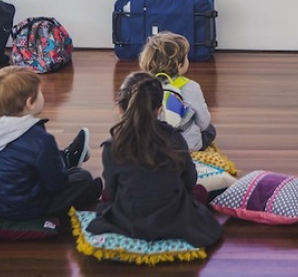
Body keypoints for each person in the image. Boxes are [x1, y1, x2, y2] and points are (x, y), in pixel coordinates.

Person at [87, 71, 222, 247]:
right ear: (159, 109)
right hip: (172, 217)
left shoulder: (113, 146)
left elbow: (111, 191)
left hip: (130, 219)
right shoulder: (175, 139)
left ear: (120, 108)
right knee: (199, 193)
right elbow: (189, 181)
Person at [0, 66, 101, 219]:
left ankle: (65, 160)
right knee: (82, 177)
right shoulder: (40, 139)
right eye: (40, 92)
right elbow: (57, 185)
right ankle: (84, 181)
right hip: (21, 208)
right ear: (30, 103)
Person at [139, 32, 216, 152]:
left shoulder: (142, 85)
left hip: (151, 143)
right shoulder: (191, 87)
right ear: (179, 66)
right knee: (210, 130)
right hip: (184, 144)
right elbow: (203, 123)